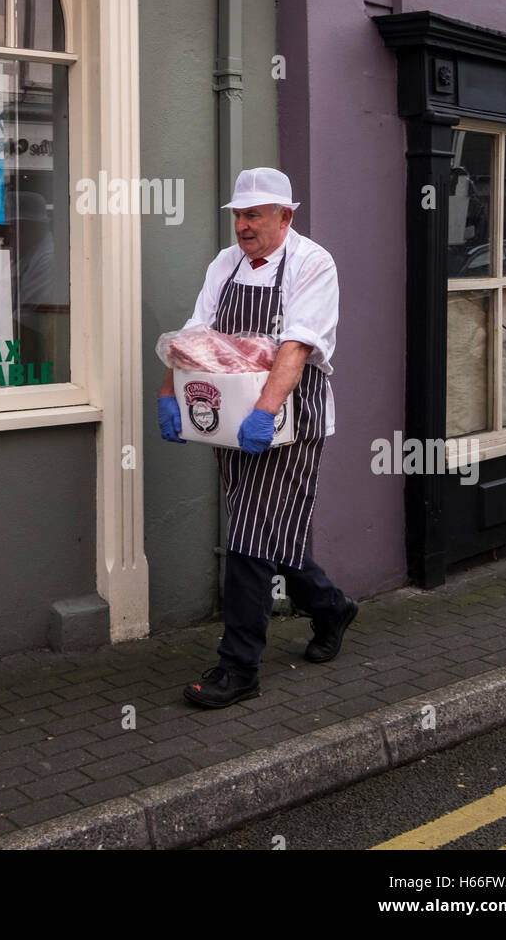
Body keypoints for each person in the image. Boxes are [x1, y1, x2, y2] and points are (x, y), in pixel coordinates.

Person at [157, 167, 357, 709]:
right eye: (238, 216)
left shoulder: (313, 263)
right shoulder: (226, 264)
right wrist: (170, 392)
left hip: (290, 421)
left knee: (248, 537)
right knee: (266, 526)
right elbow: (194, 335)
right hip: (230, 418)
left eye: (253, 215)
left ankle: (239, 667)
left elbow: (294, 347)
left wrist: (264, 412)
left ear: (284, 217)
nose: (242, 226)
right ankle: (331, 606)